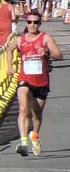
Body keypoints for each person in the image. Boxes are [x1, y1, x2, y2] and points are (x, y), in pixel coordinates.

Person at [14, 9, 60, 155]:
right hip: (25, 79)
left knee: (37, 115)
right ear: (26, 23)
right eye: (29, 22)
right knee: (23, 109)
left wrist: (46, 53)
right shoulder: (19, 40)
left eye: (35, 22)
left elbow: (59, 55)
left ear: (39, 23)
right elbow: (9, 50)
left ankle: (34, 137)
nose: (32, 25)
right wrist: (10, 66)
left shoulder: (45, 38)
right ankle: (23, 142)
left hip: (41, 82)